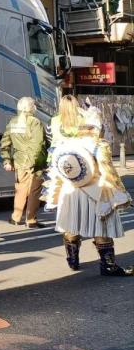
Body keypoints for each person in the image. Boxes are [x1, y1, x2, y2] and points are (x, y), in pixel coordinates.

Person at [44, 95, 132, 276]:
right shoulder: (98, 145)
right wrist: (120, 195)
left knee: (71, 224)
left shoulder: (61, 144)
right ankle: (108, 265)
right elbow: (109, 173)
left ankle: (73, 260)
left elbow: (56, 171)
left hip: (70, 189)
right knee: (102, 227)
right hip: (95, 190)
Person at [0, 97, 48, 228]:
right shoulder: (35, 122)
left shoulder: (13, 122)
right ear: (30, 108)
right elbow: (39, 143)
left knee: (20, 189)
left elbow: (5, 143)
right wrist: (35, 161)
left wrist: (6, 160)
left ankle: (16, 217)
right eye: (34, 105)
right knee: (34, 190)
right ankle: (31, 220)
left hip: (19, 161)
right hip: (35, 163)